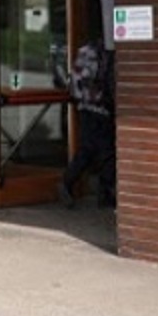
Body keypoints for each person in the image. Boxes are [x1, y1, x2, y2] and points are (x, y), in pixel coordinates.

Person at [59, 38, 116, 209]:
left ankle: (68, 182)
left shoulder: (84, 52)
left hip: (86, 108)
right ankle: (104, 192)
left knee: (89, 150)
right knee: (108, 152)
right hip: (102, 108)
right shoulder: (109, 53)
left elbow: (75, 82)